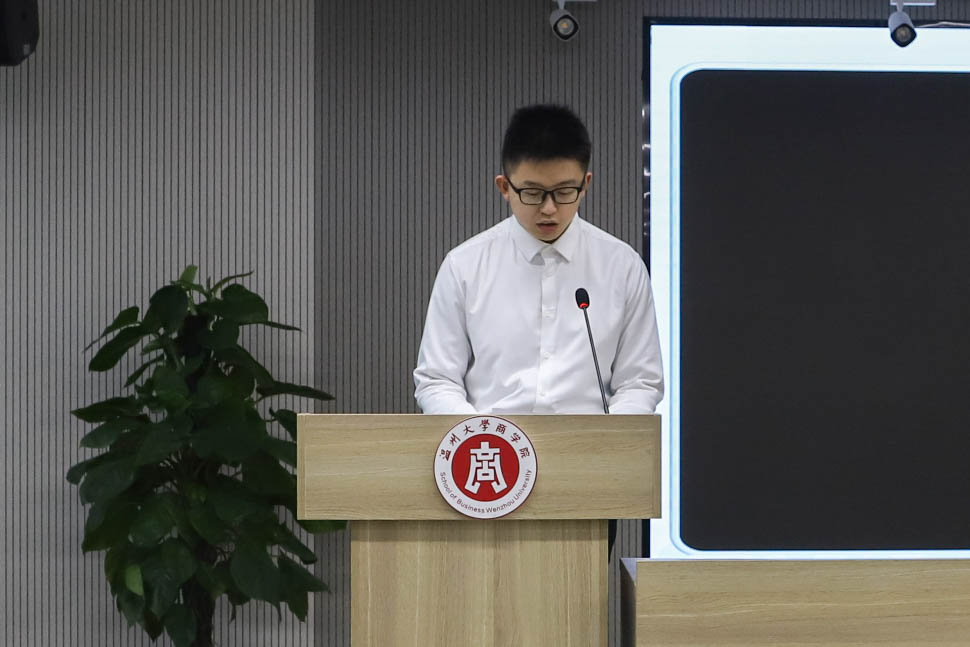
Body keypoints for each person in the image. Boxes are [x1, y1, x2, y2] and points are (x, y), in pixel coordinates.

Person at [413, 104, 664, 416]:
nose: (549, 208)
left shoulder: (622, 266)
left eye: (564, 191)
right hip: (494, 441)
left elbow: (639, 382)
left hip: (591, 442)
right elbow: (438, 380)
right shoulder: (464, 266)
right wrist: (481, 435)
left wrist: (608, 438)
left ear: (585, 184)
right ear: (505, 187)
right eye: (532, 193)